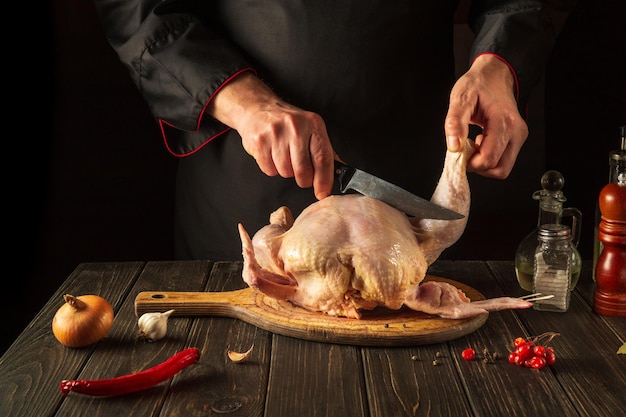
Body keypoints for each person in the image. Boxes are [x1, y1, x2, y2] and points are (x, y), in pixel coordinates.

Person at [92, 0, 573, 261]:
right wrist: (245, 102)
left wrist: (498, 65)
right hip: (249, 182)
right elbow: (134, 8)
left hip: (413, 189)